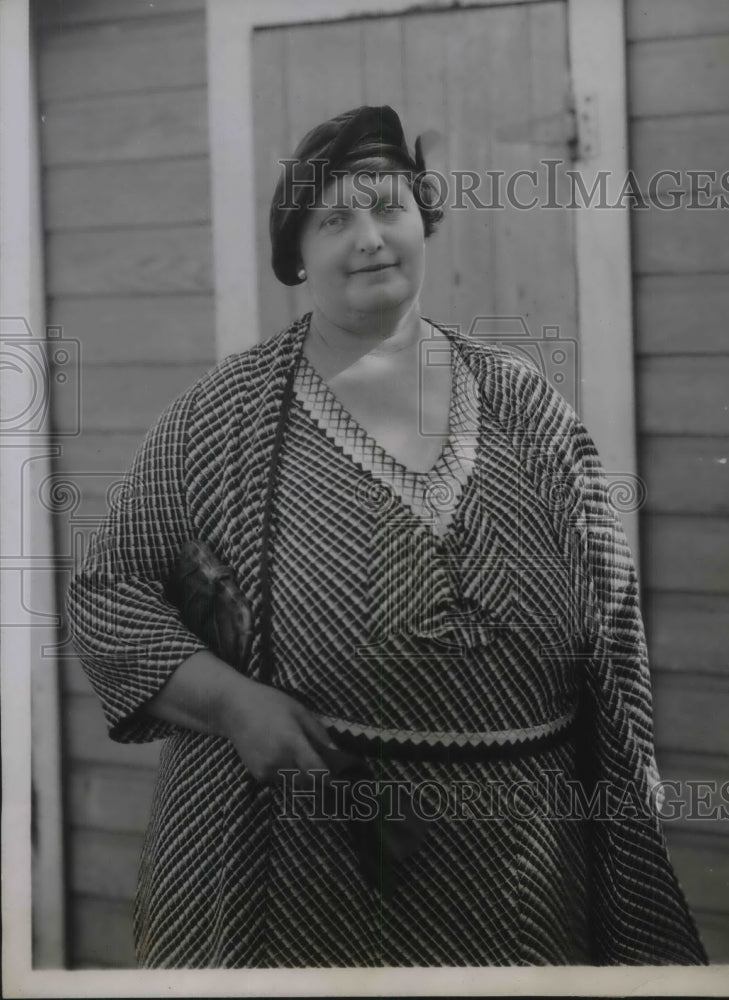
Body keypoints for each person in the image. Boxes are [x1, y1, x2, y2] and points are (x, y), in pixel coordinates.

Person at [66, 105, 707, 968]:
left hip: (517, 869)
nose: (369, 238)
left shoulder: (526, 405)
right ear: (296, 253)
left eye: (388, 207)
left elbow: (612, 628)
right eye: (334, 219)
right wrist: (235, 704)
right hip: (301, 862)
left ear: (423, 222)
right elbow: (110, 593)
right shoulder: (220, 416)